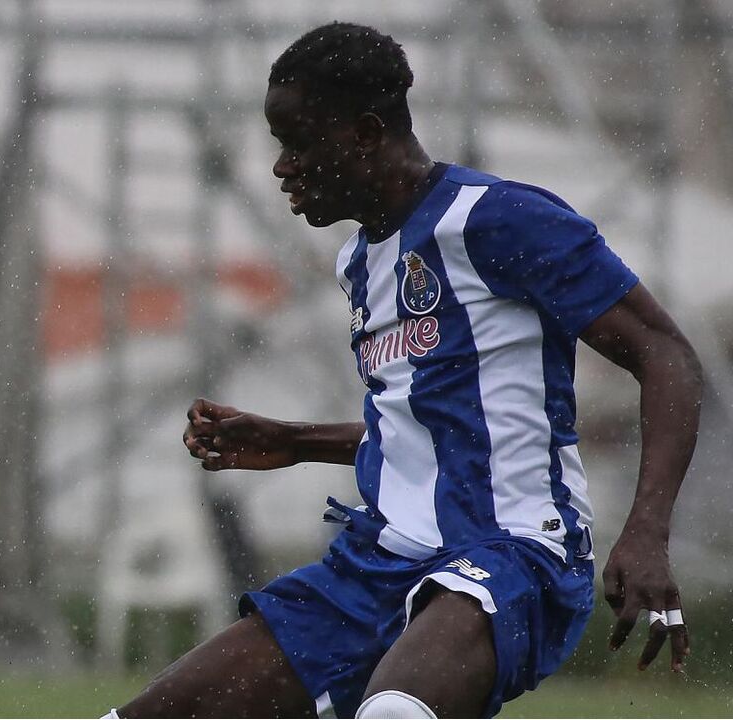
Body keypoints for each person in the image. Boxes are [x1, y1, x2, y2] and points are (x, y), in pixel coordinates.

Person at [108, 22, 702, 719]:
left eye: (298, 143)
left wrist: (648, 530)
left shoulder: (496, 220)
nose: (281, 168)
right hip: (380, 562)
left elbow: (668, 354)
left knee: (394, 714)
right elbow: (434, 424)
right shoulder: (358, 264)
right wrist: (298, 442)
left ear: (364, 133)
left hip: (511, 554)